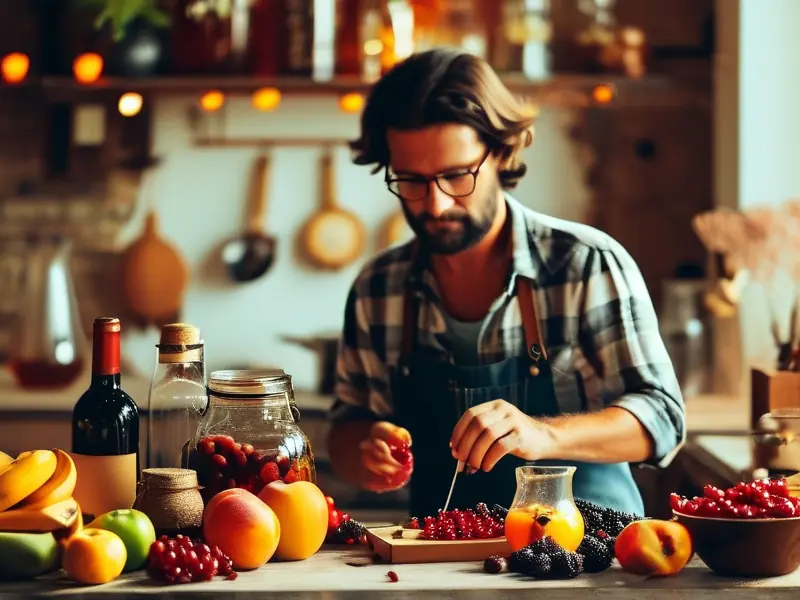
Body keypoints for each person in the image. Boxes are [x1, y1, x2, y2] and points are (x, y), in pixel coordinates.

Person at [326, 48, 686, 519]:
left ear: (498, 153)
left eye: (456, 176)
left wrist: (545, 435)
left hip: (588, 558)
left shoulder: (585, 264)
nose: (435, 205)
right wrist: (364, 452)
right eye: (411, 180)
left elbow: (662, 419)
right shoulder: (380, 288)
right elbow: (346, 425)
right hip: (442, 563)